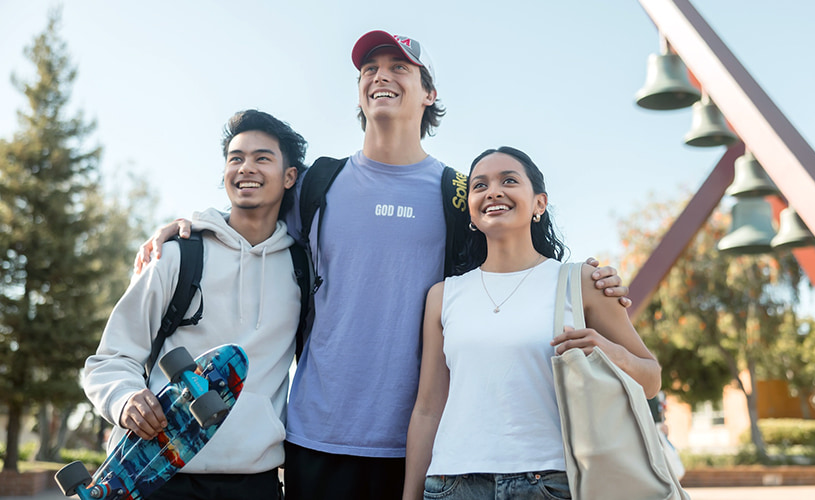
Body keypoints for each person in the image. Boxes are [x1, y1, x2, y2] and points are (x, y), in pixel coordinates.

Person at [134, 31, 631, 499]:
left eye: (399, 67)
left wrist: (588, 281)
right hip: (316, 436)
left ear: (429, 93)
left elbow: (511, 267)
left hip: (424, 439)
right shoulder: (317, 184)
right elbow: (248, 217)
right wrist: (190, 224)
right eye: (369, 69)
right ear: (359, 92)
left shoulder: (459, 194)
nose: (381, 76)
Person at [403, 146, 662, 500]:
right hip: (453, 485)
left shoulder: (582, 282)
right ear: (471, 213)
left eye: (509, 180)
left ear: (539, 203)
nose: (493, 191)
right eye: (480, 185)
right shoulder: (443, 295)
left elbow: (650, 380)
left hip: (550, 484)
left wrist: (607, 351)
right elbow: (427, 409)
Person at [84, 109, 306, 499]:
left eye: (262, 158)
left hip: (254, 481)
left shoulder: (301, 268)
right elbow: (110, 358)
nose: (245, 168)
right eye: (235, 158)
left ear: (289, 177)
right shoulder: (177, 255)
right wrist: (125, 398)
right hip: (160, 473)